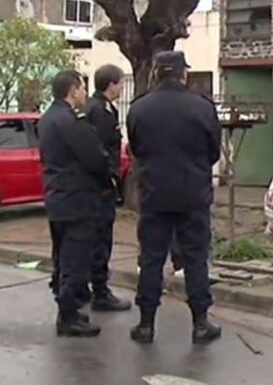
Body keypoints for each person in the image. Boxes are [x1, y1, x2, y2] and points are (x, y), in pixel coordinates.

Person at [127, 51, 222, 344]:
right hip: (193, 194)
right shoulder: (202, 107)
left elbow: (137, 148)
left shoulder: (139, 108)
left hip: (154, 194)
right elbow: (213, 152)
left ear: (156, 73)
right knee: (195, 259)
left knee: (151, 259)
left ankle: (145, 324)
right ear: (183, 74)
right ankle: (200, 322)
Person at [39, 70, 112, 337]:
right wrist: (107, 181)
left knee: (62, 258)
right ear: (72, 90)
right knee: (75, 260)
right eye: (81, 88)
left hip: (58, 198)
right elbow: (94, 158)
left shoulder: (48, 118)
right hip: (77, 201)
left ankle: (69, 309)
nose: (84, 93)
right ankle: (68, 316)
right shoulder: (70, 121)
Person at [82, 64, 131, 311]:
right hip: (100, 188)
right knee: (101, 238)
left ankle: (90, 287)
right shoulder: (100, 111)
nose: (123, 87)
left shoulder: (98, 108)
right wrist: (109, 179)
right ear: (111, 84)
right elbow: (99, 150)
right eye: (121, 83)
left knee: (96, 238)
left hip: (96, 186)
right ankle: (99, 291)